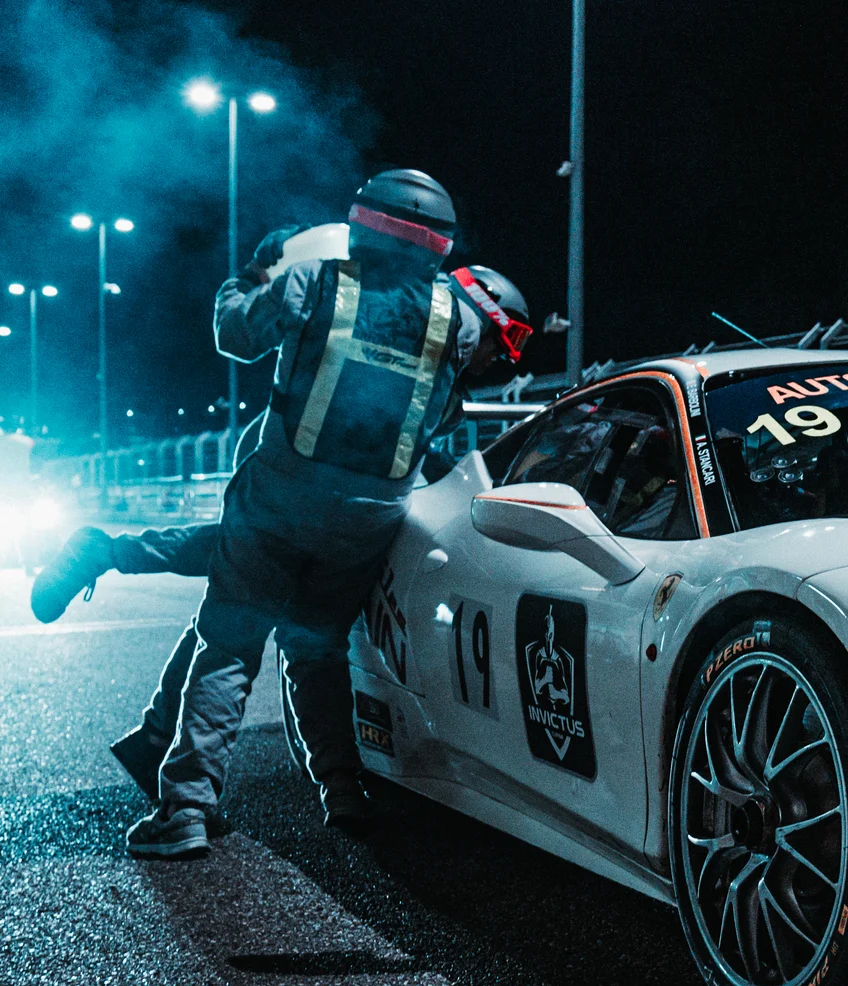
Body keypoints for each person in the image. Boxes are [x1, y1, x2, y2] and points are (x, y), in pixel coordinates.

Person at [31, 264, 533, 811]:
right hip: (299, 468)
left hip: (311, 476)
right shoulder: (419, 328)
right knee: (253, 616)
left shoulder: (437, 354)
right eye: (508, 337)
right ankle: (291, 785)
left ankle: (158, 725)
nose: (506, 358)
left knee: (237, 596)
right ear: (482, 307)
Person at [124, 168, 481, 859]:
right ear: (440, 245)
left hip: (282, 495)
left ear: (359, 223)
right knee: (316, 650)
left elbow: (236, 335)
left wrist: (249, 273)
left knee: (228, 646)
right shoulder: (458, 319)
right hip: (373, 513)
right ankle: (343, 791)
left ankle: (185, 811)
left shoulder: (313, 279)